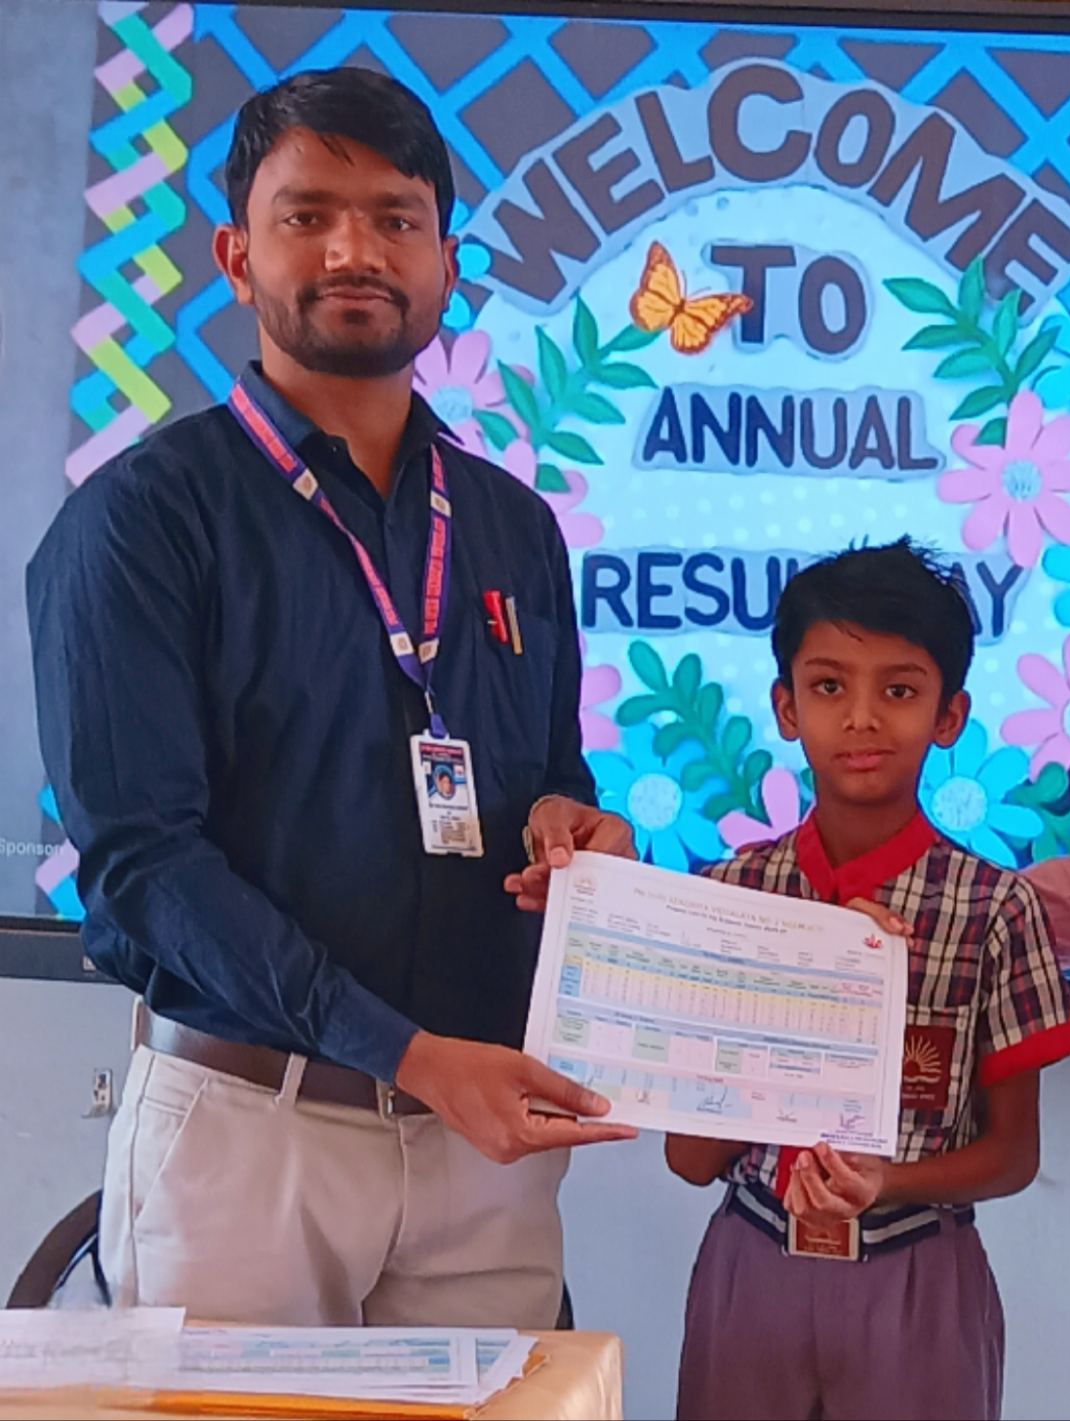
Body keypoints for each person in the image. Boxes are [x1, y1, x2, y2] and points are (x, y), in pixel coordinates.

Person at [26, 67, 636, 1329]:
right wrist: (404, 1052)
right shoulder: (140, 522)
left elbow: (551, 774)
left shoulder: (513, 526)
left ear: (445, 262)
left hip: (484, 1149)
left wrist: (574, 827)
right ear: (234, 255)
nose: (355, 250)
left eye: (394, 217)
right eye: (307, 215)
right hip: (251, 1131)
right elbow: (144, 864)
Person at [664, 540, 1070, 1421]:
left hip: (916, 1274)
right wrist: (793, 1001)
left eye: (898, 690)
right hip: (753, 1266)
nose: (860, 718)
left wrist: (883, 1181)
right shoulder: (733, 895)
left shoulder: (993, 909)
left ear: (949, 714)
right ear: (785, 707)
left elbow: (1014, 1155)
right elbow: (690, 1158)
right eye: (828, 686)